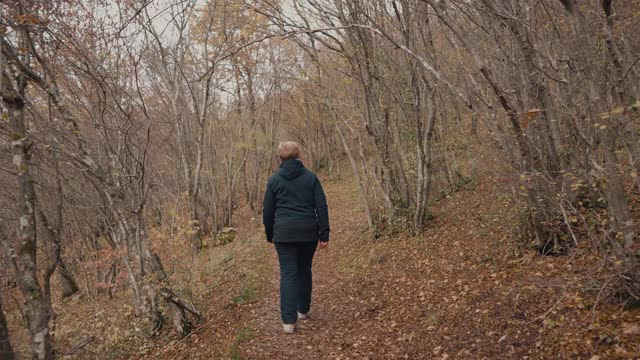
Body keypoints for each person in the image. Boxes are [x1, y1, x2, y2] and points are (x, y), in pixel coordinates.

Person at [262, 141, 330, 334]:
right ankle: (303, 309)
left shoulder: (274, 180)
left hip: (284, 234)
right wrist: (324, 234)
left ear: (280, 158)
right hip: (308, 232)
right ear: (298, 156)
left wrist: (270, 234)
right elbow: (321, 206)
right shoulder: (310, 178)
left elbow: (268, 211)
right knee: (304, 268)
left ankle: (289, 322)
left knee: (288, 273)